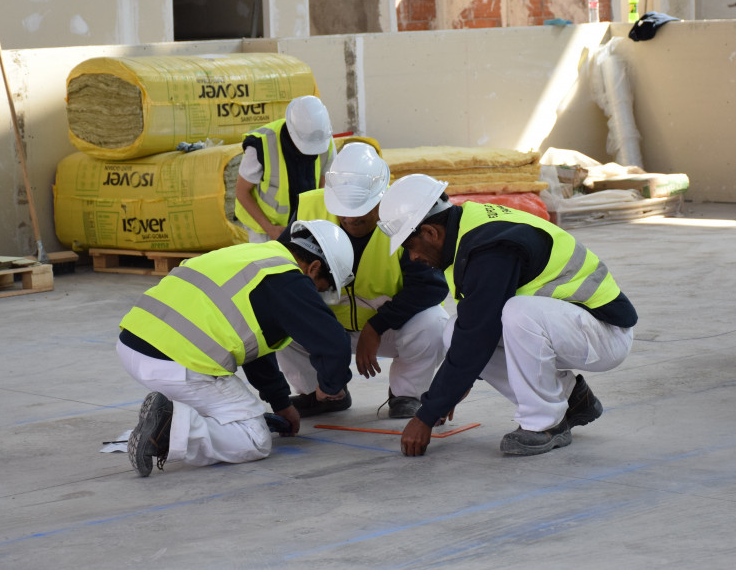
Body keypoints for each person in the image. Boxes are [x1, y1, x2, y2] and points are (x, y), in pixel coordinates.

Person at [376, 174, 638, 457]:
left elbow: (478, 336)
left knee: (516, 313)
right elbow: (472, 329)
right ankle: (572, 400)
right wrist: (450, 390)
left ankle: (545, 425)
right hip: (572, 326)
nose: (412, 258)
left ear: (430, 233)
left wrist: (427, 414)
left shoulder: (489, 249)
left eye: (410, 246)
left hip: (604, 331)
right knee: (454, 331)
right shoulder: (469, 230)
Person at [118, 219, 355, 477]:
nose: (316, 294)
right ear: (314, 268)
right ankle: (167, 427)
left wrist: (280, 403)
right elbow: (335, 344)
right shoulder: (289, 279)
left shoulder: (256, 257)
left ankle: (169, 417)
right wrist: (327, 389)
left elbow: (254, 347)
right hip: (178, 361)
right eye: (322, 288)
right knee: (254, 439)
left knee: (232, 416)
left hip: (134, 346)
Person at [276, 143, 450, 418]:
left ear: (382, 197)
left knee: (434, 323)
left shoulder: (405, 215)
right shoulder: (310, 210)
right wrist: (323, 332)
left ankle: (406, 394)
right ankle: (322, 393)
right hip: (326, 326)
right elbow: (280, 273)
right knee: (279, 320)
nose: (350, 218)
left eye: (360, 211)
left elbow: (431, 287)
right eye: (344, 211)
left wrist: (376, 327)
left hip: (387, 329)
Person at [234, 95, 336, 243]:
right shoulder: (260, 145)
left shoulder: (324, 142)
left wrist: (316, 225)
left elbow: (323, 187)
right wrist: (270, 229)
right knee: (270, 264)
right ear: (291, 131)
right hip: (265, 228)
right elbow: (242, 191)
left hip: (304, 224)